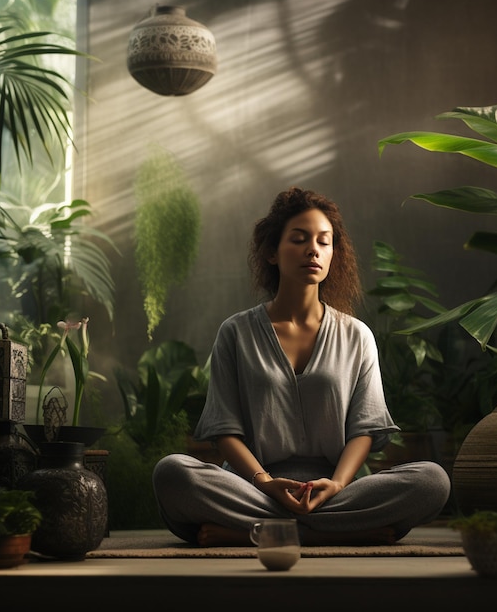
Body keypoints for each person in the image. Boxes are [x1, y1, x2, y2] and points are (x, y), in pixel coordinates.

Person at [152, 186, 451, 546]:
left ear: (332, 254)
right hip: (253, 487)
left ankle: (252, 532)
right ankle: (349, 533)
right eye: (299, 239)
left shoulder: (356, 336)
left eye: (324, 242)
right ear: (272, 252)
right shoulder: (236, 333)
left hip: (334, 491)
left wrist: (336, 485)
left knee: (433, 480)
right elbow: (225, 432)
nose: (313, 249)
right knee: (172, 473)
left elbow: (363, 431)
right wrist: (265, 482)